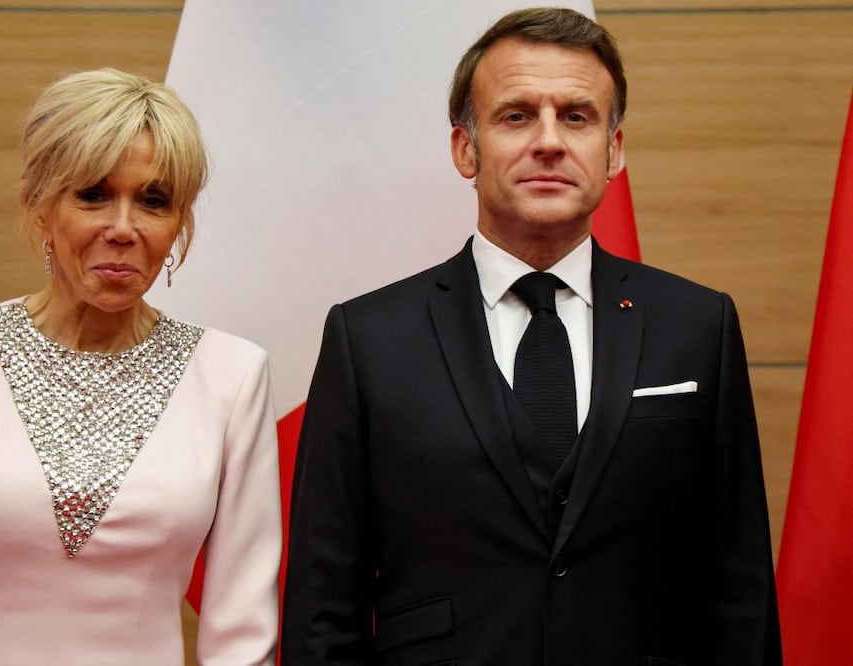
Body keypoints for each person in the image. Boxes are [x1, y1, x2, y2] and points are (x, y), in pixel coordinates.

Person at [281, 8, 780, 665]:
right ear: (465, 147)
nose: (548, 141)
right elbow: (325, 599)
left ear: (614, 149)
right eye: (515, 116)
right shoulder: (368, 336)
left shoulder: (697, 324)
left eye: (575, 116)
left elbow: (736, 582)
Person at [0, 68, 281, 665]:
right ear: (41, 207)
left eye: (153, 201)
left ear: (179, 223)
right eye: (93, 194)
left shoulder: (232, 375)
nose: (123, 228)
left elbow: (243, 635)